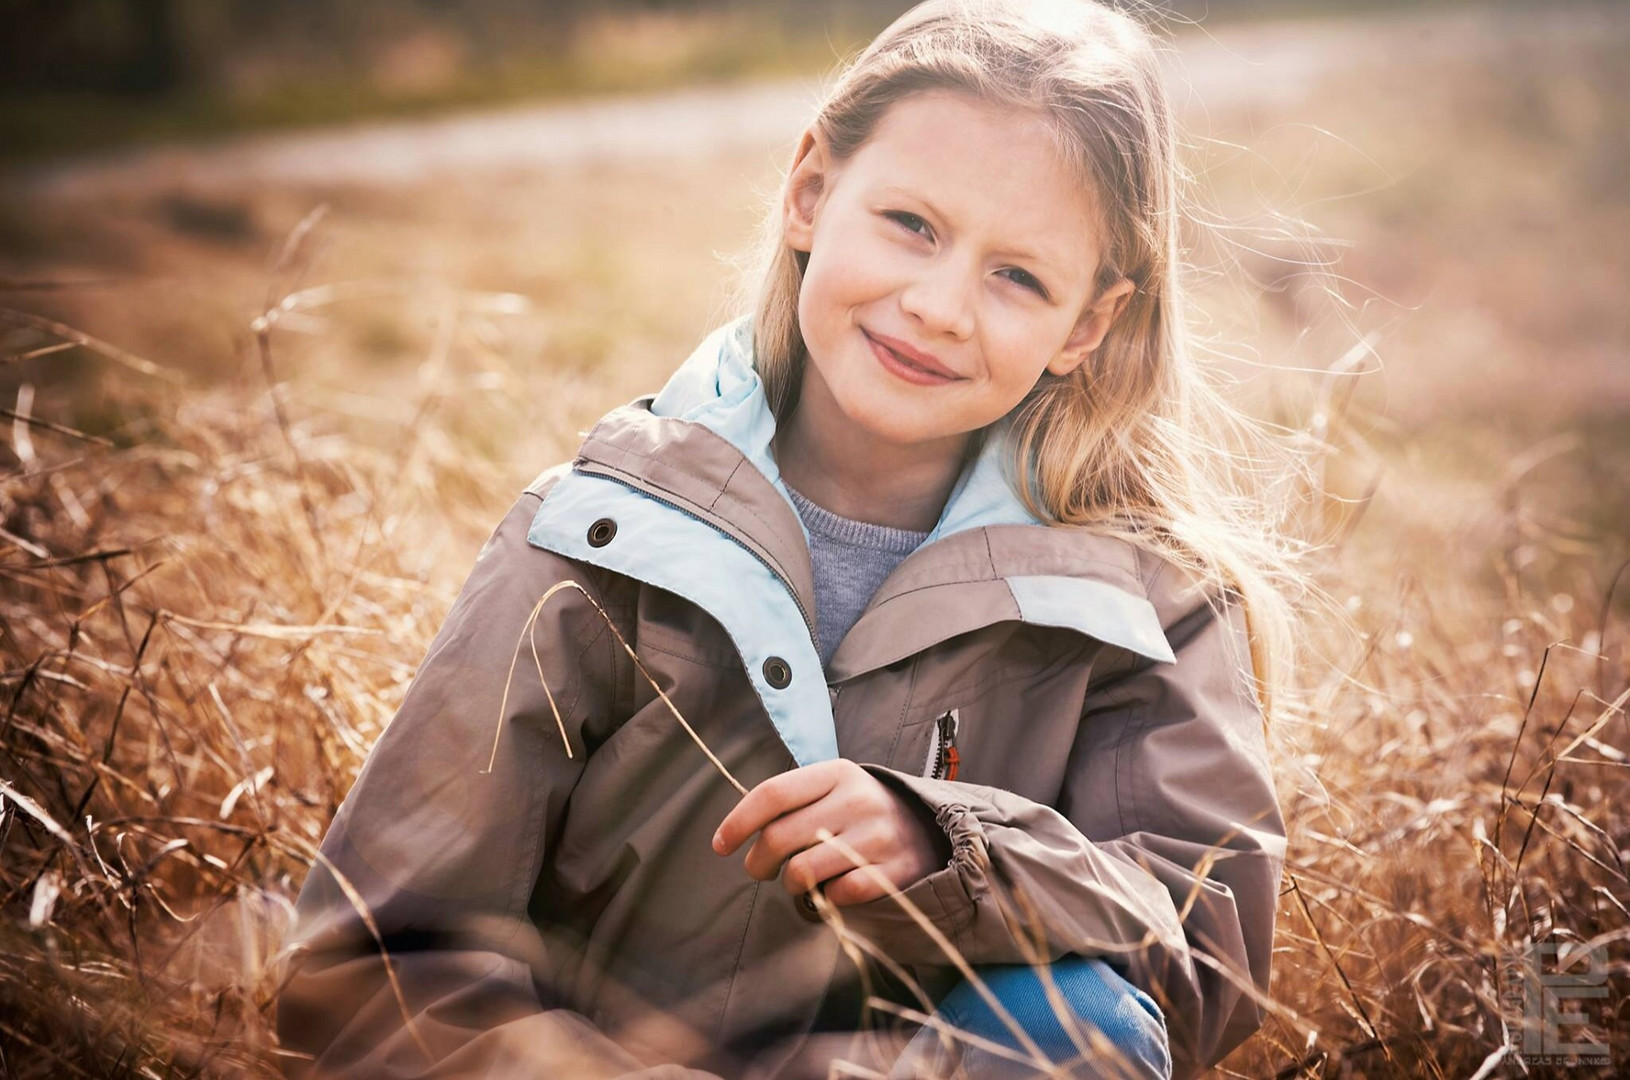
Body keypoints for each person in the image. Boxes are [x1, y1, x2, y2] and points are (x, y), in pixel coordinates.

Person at [274, 1, 1303, 1077]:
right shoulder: (594, 539)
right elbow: (374, 960)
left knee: (1077, 1020)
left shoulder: (1146, 602)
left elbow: (1200, 945)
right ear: (810, 190)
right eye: (912, 224)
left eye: (1018, 276)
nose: (941, 305)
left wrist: (956, 848)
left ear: (1084, 327)